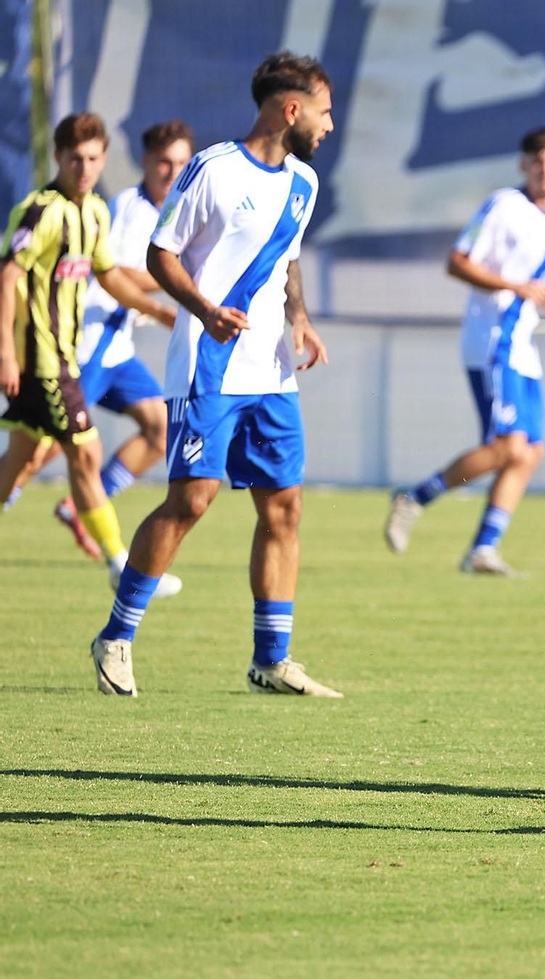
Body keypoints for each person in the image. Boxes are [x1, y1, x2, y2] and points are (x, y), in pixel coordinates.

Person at [89, 51, 340, 698]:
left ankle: (271, 659)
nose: (330, 125)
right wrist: (205, 309)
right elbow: (159, 253)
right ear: (292, 109)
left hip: (273, 373)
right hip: (209, 363)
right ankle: (116, 635)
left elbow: (287, 262)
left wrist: (301, 318)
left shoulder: (305, 184)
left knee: (284, 507)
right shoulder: (215, 169)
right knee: (191, 499)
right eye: (325, 111)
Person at [384, 124, 545, 576]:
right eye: (537, 162)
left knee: (529, 452)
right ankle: (415, 496)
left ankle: (483, 549)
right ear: (524, 166)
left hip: (523, 346)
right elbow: (458, 262)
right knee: (505, 446)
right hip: (492, 340)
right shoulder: (504, 206)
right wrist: (511, 285)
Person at [0, 112, 180, 597]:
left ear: (104, 159)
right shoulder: (41, 210)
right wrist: (4, 353)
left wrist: (159, 311)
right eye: (75, 158)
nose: (84, 167)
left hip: (63, 359)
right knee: (86, 456)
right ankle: (121, 565)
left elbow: (110, 276)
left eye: (93, 158)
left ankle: (120, 564)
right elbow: (8, 274)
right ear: (58, 157)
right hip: (45, 361)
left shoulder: (94, 212)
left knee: (18, 461)